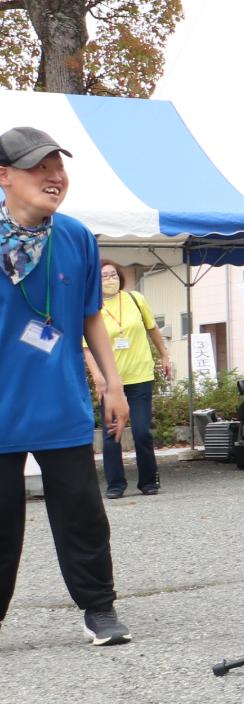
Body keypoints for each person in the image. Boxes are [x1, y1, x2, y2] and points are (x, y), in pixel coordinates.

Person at [0, 126, 132, 646]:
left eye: (59, 167)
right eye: (40, 168)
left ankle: (98, 608)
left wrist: (112, 384)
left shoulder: (75, 236)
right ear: (4, 176)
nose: (55, 177)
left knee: (82, 514)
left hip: (60, 402)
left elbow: (90, 317)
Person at [87, 261, 171, 499]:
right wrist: (98, 377)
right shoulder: (93, 307)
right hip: (112, 383)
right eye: (104, 276)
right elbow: (86, 347)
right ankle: (115, 483)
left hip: (140, 375)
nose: (110, 279)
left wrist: (164, 355)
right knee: (112, 433)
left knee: (142, 431)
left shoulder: (135, 299)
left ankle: (148, 480)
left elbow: (152, 328)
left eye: (113, 274)